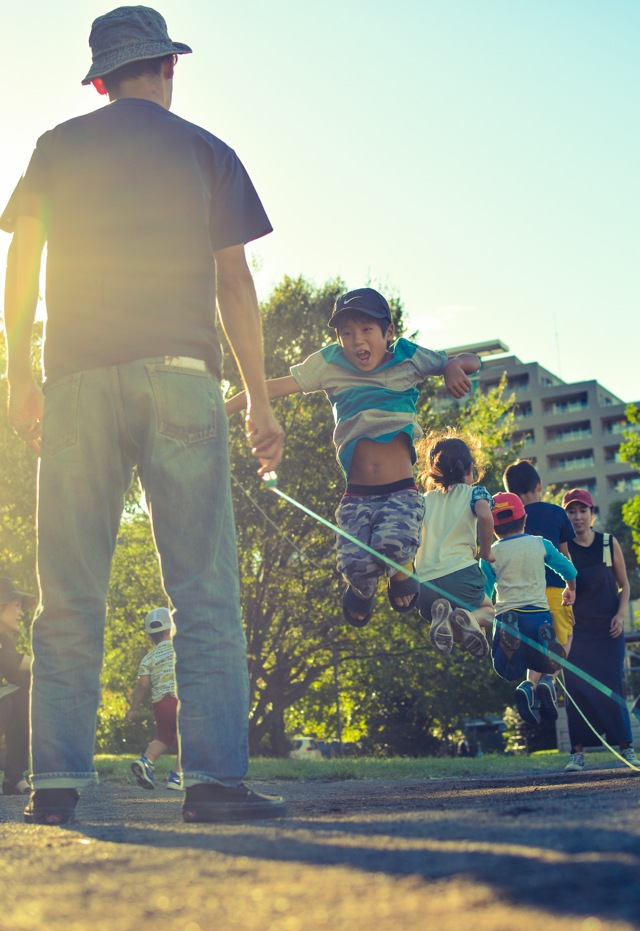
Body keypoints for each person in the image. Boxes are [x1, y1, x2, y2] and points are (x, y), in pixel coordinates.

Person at [4, 6, 286, 825]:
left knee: (68, 593)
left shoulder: (57, 145)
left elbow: (22, 262)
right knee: (202, 589)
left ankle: (53, 788)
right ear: (168, 68)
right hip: (182, 380)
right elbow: (235, 283)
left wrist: (16, 375)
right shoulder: (206, 150)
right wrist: (259, 400)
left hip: (77, 383)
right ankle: (214, 785)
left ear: (99, 80)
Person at [225, 287, 480, 626]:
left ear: (388, 332)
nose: (357, 341)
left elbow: (471, 361)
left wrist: (449, 367)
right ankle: (361, 591)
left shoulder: (409, 358)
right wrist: (226, 407)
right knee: (355, 567)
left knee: (394, 543)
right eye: (347, 333)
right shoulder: (330, 364)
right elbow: (272, 387)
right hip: (357, 495)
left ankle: (403, 570)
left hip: (401, 490)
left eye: (366, 330)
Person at [561, 489, 640, 770]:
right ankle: (577, 753)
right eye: (571, 512)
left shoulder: (608, 543)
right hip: (577, 633)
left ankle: (626, 748)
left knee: (613, 686)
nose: (577, 517)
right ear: (565, 516)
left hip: (609, 631)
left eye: (582, 511)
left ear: (592, 514)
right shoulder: (563, 548)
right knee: (576, 689)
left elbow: (625, 585)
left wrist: (620, 615)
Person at [480, 493, 577, 726]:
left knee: (507, 668)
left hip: (507, 615)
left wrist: (482, 627)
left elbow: (483, 593)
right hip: (539, 615)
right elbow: (568, 569)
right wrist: (569, 589)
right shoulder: (540, 543)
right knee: (544, 661)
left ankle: (525, 683)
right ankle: (545, 683)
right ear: (524, 519)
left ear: (493, 529)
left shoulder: (489, 554)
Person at [414, 430, 494, 657]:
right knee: (489, 610)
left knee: (450, 625)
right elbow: (486, 516)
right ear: (469, 469)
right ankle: (469, 620)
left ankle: (460, 624)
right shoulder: (475, 492)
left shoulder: (423, 500)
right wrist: (485, 552)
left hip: (425, 585)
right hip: (460, 574)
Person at [502, 459, 575, 703]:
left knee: (535, 645)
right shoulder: (557, 513)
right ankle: (549, 680)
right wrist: (571, 588)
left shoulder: (512, 521)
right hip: (555, 589)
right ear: (539, 485)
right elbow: (564, 557)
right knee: (564, 638)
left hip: (524, 595)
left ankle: (529, 684)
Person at [126, 608, 182, 790]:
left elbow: (142, 686)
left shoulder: (148, 658)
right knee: (188, 738)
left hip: (160, 705)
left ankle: (146, 761)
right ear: (171, 629)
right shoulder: (180, 648)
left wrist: (133, 708)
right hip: (180, 700)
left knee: (164, 737)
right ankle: (177, 777)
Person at [0, 578, 34, 796]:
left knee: (25, 694)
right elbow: (8, 660)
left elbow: (18, 672)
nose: (21, 613)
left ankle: (14, 776)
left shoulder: (4, 640)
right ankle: (13, 773)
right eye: (17, 606)